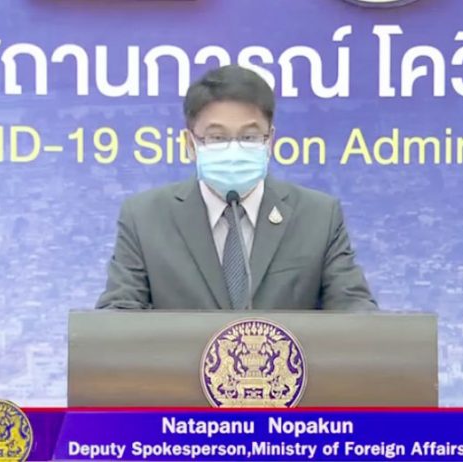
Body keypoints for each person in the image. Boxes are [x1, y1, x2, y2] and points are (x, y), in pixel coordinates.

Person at [96, 65, 377, 311]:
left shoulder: (318, 217)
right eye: (217, 137)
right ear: (190, 144)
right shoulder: (145, 218)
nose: (234, 149)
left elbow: (356, 314)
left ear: (270, 141)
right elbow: (118, 317)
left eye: (249, 137)